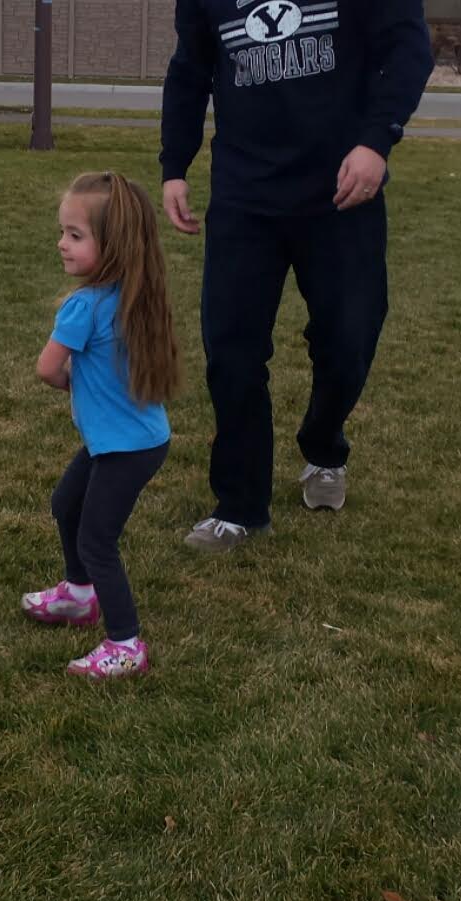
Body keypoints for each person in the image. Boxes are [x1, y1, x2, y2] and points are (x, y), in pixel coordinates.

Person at [160, 0, 434, 552]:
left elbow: (409, 48)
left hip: (341, 192)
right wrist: (175, 166)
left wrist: (377, 141)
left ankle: (323, 445)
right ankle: (240, 507)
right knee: (232, 352)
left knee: (349, 340)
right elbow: (190, 68)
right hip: (245, 195)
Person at [21, 172, 181, 680]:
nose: (61, 244)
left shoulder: (83, 307)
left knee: (97, 540)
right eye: (62, 232)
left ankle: (125, 644)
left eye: (75, 235)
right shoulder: (135, 295)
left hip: (122, 447)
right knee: (66, 503)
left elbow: (47, 369)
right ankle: (77, 594)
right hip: (136, 440)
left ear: (112, 245)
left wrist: (73, 382)